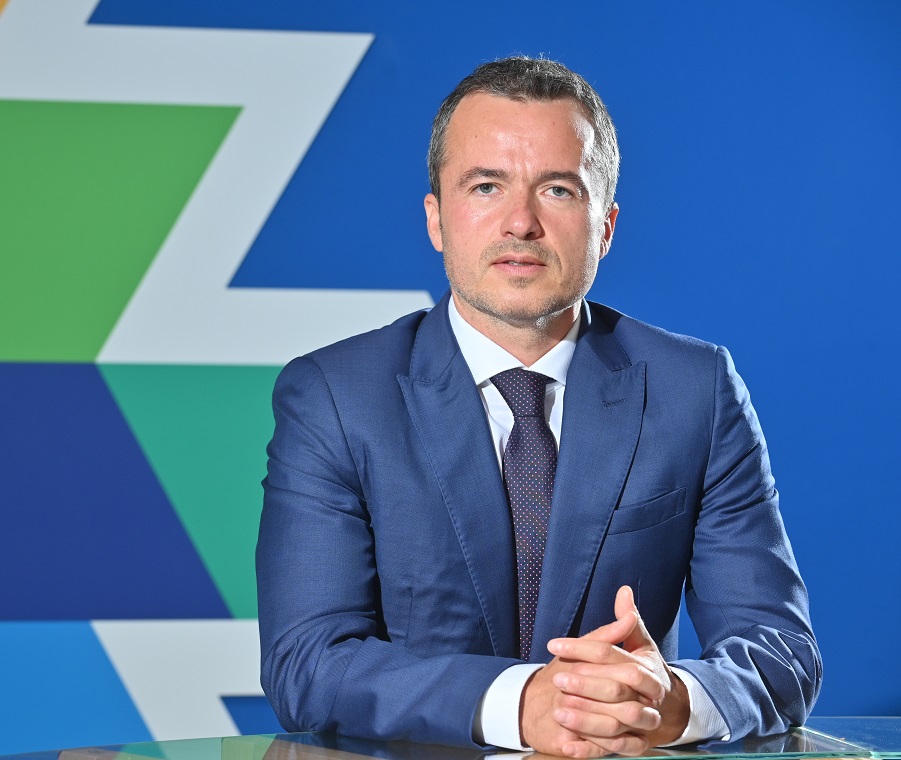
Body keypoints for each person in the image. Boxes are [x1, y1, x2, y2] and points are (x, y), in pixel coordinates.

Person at [257, 56, 821, 758]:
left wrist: (671, 701)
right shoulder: (336, 397)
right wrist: (522, 703)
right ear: (436, 219)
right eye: (485, 186)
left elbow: (779, 651)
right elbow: (307, 664)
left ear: (605, 225)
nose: (520, 222)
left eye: (557, 189)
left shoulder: (694, 390)